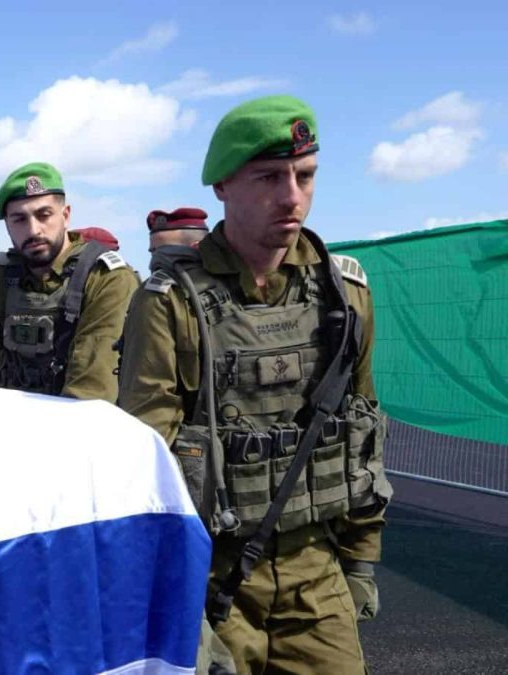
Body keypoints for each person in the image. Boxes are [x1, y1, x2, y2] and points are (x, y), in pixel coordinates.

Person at [118, 95, 393, 675]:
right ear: (222, 185)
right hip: (213, 582)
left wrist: (361, 560)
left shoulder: (345, 296)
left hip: (314, 570)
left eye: (305, 175)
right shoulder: (170, 305)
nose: (293, 196)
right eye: (269, 177)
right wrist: (173, 605)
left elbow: (365, 434)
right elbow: (146, 472)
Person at [0, 162, 139, 400]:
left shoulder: (106, 278)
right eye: (19, 219)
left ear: (65, 215)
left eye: (44, 215)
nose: (34, 230)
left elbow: (91, 389)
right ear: (7, 226)